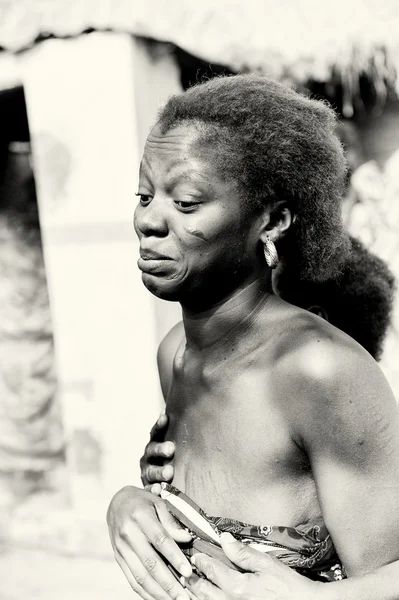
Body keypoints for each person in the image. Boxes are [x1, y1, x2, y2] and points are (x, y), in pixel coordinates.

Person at [107, 75, 399, 600]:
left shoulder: (316, 368)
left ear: (273, 219)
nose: (149, 220)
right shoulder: (176, 352)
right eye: (145, 195)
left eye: (188, 202)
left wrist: (315, 598)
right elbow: (201, 506)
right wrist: (128, 504)